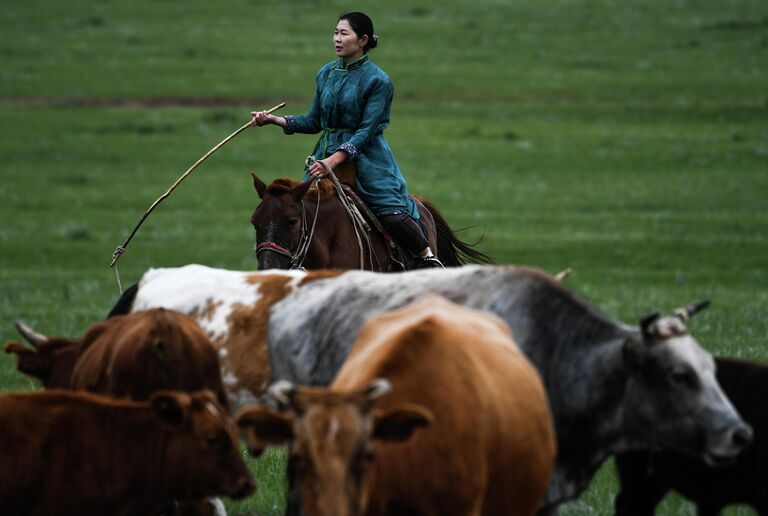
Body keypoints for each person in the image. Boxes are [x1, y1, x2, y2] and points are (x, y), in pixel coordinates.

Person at [250, 11, 443, 269]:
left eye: (344, 33)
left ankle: (428, 259)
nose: (337, 39)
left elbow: (367, 131)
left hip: (368, 159)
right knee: (297, 213)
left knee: (392, 215)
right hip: (325, 157)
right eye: (335, 32)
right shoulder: (326, 73)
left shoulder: (379, 81)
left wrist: (332, 160)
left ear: (362, 40)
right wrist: (275, 120)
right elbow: (315, 121)